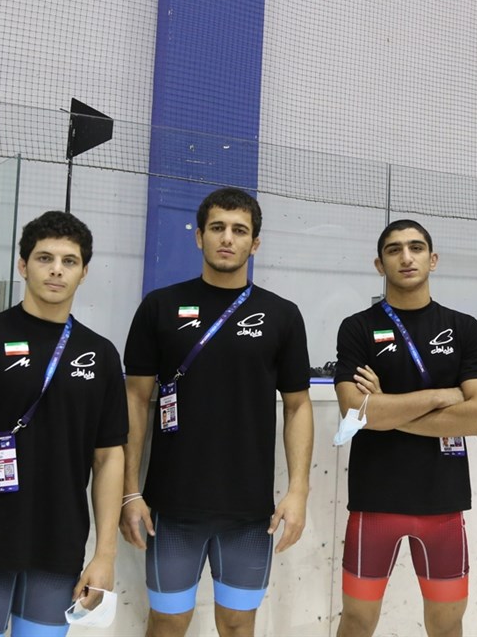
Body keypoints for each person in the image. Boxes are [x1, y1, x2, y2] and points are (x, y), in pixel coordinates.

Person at [120, 187, 314, 637]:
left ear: (255, 243)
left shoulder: (281, 315)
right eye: (218, 228)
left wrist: (298, 491)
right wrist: (129, 490)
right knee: (167, 623)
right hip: (172, 510)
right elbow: (135, 400)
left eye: (240, 230)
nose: (228, 238)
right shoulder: (159, 307)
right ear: (199, 236)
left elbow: (298, 405)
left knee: (238, 625)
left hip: (249, 514)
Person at [0, 210, 127, 637]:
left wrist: (105, 555)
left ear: (84, 272)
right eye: (44, 258)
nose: (57, 269)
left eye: (69, 261)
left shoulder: (101, 354)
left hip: (58, 551)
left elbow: (109, 457)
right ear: (23, 265)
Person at [332, 220, 477, 637]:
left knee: (447, 625)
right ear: (379, 264)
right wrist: (442, 396)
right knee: (356, 622)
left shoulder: (463, 328)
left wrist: (386, 407)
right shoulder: (357, 328)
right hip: (374, 504)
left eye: (416, 248)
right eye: (394, 250)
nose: (406, 257)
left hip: (443, 506)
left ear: (432, 259)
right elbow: (356, 412)